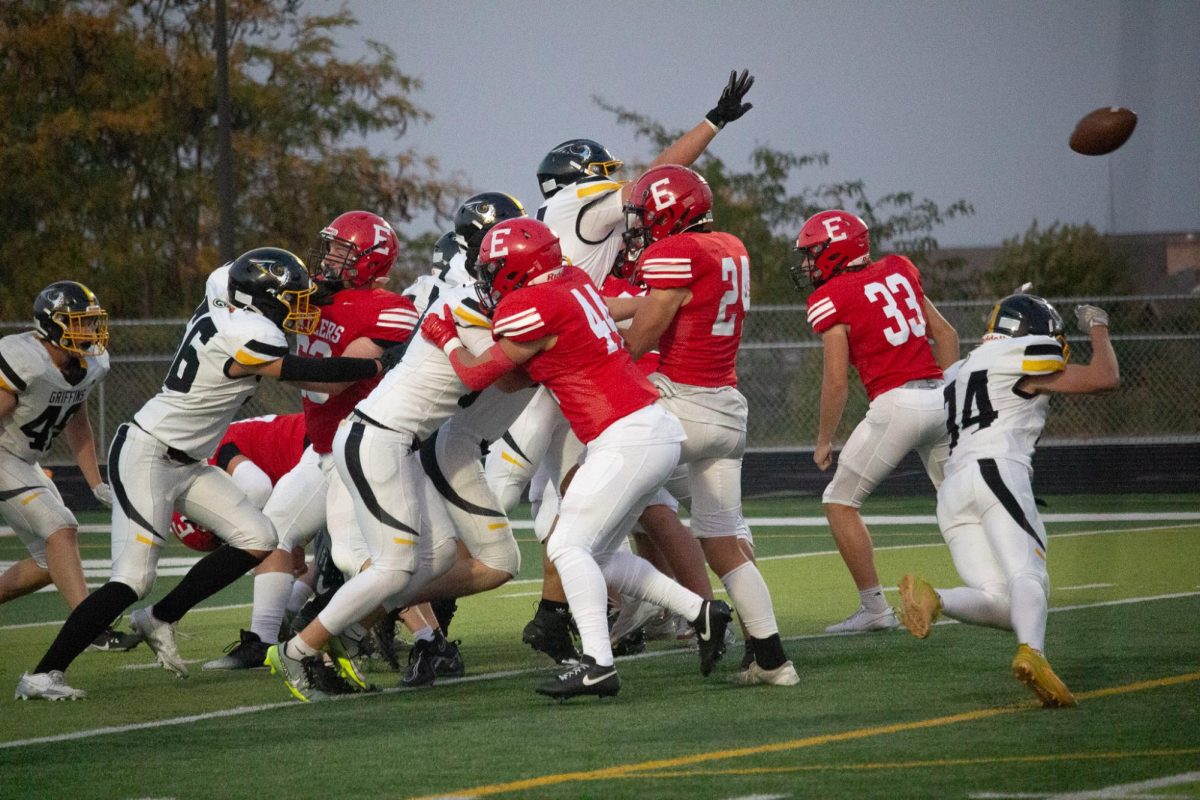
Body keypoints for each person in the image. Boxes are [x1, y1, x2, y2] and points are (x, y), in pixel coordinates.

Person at [15, 248, 389, 700]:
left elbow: (228, 276)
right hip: (147, 453)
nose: (300, 307)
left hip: (187, 460)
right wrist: (375, 365)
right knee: (132, 580)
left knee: (259, 537)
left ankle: (161, 617)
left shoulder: (224, 294)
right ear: (265, 299)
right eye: (292, 298)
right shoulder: (251, 333)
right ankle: (42, 673)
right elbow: (298, 370)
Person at [487, 69, 755, 660]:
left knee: (557, 499)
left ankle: (570, 615)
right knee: (625, 505)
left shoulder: (561, 219)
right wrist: (711, 123)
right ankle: (670, 612)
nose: (623, 192)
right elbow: (658, 177)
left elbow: (653, 185)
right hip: (577, 353)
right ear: (584, 183)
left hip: (571, 360)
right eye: (608, 178)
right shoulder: (584, 209)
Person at [424, 217, 732, 700]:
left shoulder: (532, 304)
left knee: (568, 547)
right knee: (600, 556)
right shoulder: (573, 282)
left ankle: (597, 665)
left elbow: (483, 374)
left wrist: (446, 337)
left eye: (495, 267)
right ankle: (701, 612)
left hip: (627, 433)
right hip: (643, 427)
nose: (488, 276)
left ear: (518, 268)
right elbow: (513, 376)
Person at [265, 248, 532, 702]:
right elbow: (499, 374)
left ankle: (345, 635)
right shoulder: (467, 306)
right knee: (394, 566)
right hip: (376, 438)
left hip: (396, 442)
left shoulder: (481, 303)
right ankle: (296, 648)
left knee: (442, 552)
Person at [203, 212, 418, 672]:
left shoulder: (386, 307)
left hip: (358, 446)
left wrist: (266, 363)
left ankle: (415, 636)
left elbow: (329, 386)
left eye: (343, 251)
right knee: (273, 532)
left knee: (356, 555)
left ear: (370, 261)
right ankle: (261, 641)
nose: (329, 258)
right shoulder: (310, 297)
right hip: (320, 448)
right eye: (330, 247)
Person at [614, 165, 796, 686]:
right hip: (727, 409)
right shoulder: (728, 246)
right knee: (721, 542)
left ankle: (613, 625)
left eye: (646, 214)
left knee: (580, 495)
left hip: (681, 406)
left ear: (668, 213)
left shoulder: (673, 254)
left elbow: (641, 338)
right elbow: (661, 306)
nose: (641, 225)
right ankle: (772, 657)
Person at [898, 294, 1119, 708]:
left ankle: (937, 598)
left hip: (953, 489)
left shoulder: (960, 369)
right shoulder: (1020, 355)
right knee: (1030, 574)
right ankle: (1032, 653)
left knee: (1001, 598)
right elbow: (1104, 377)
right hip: (997, 471)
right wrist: (1098, 325)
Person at [792, 209, 959, 633]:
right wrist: (952, 397)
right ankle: (998, 585)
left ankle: (874, 608)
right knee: (961, 504)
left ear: (835, 252)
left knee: (839, 502)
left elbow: (835, 383)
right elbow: (947, 336)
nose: (808, 264)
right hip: (940, 397)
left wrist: (824, 439)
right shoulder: (899, 269)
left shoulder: (832, 298)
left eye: (813, 254)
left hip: (896, 404)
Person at [0, 282, 137, 651]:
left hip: (23, 459)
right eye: (78, 322)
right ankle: (89, 624)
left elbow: (78, 424)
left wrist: (96, 482)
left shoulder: (87, 364)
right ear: (51, 324)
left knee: (52, 564)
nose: (89, 332)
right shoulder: (25, 360)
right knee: (62, 529)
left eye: (91, 322)